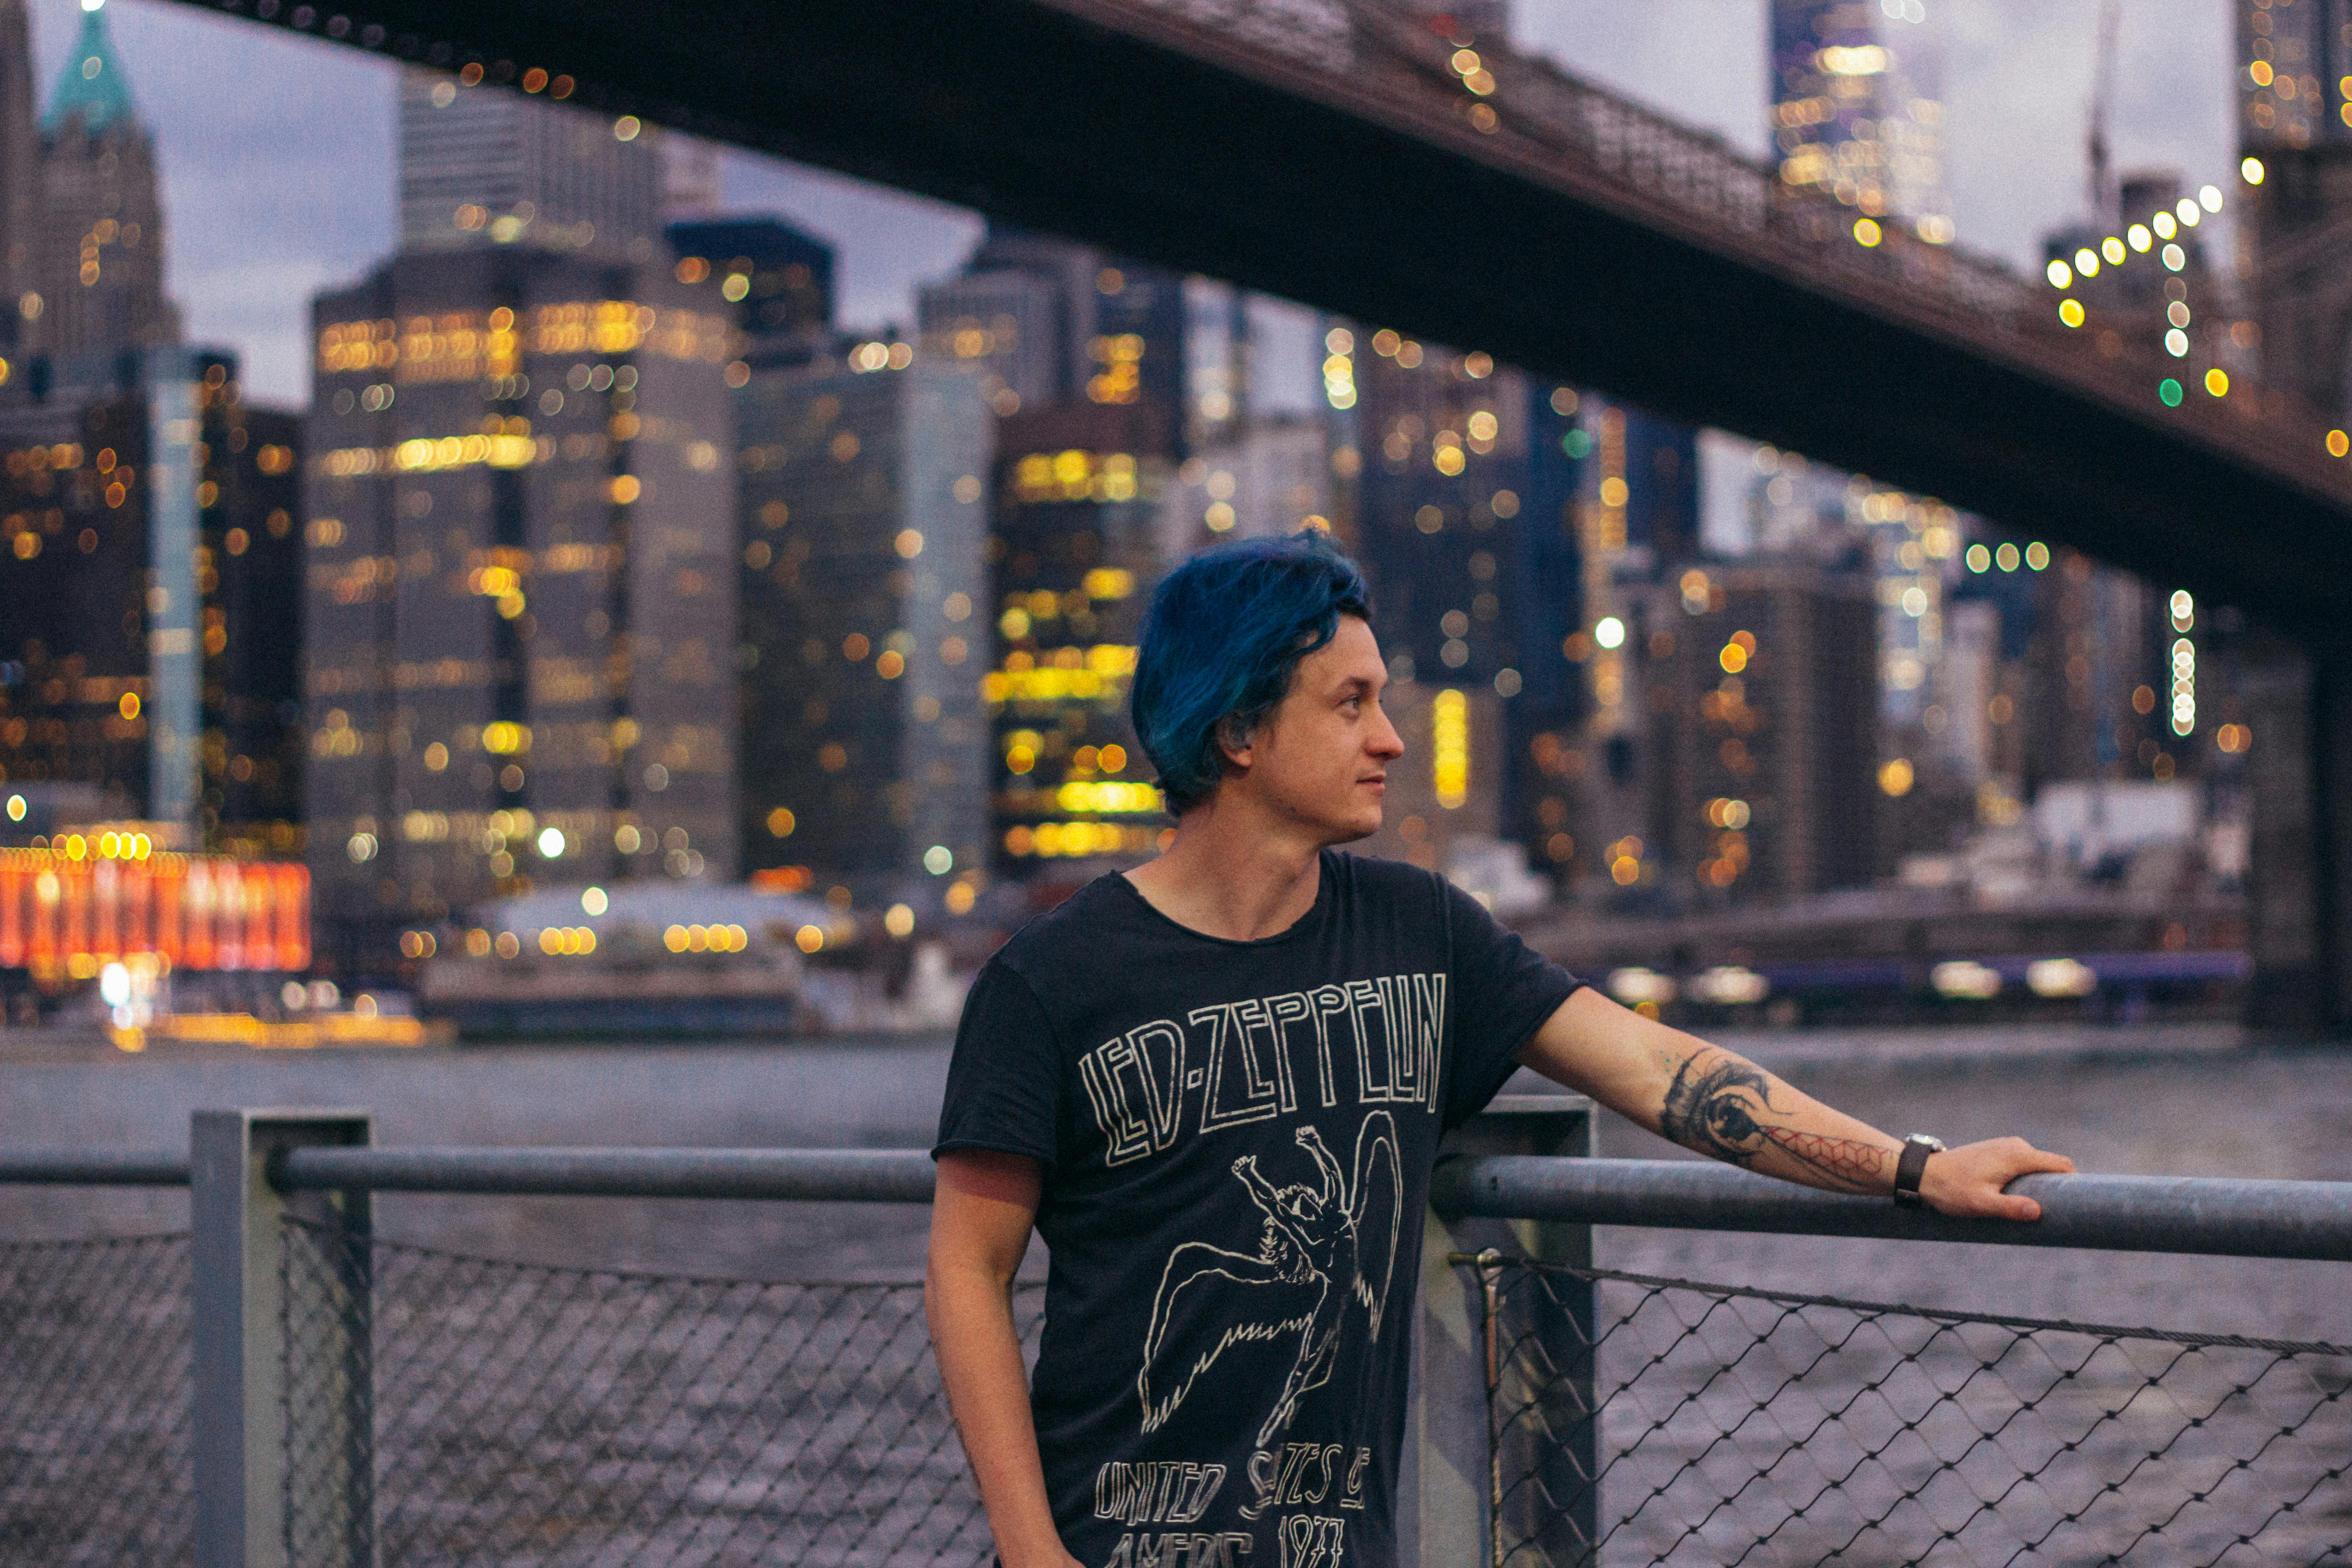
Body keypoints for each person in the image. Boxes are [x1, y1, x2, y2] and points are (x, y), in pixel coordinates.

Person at [926, 529, 2072, 1568]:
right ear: (1235, 730)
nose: (1390, 738)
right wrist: (1034, 1555)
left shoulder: (1418, 934)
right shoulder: (1050, 983)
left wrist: (1916, 1168)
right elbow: (969, 1270)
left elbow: (1659, 1073)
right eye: (1349, 704)